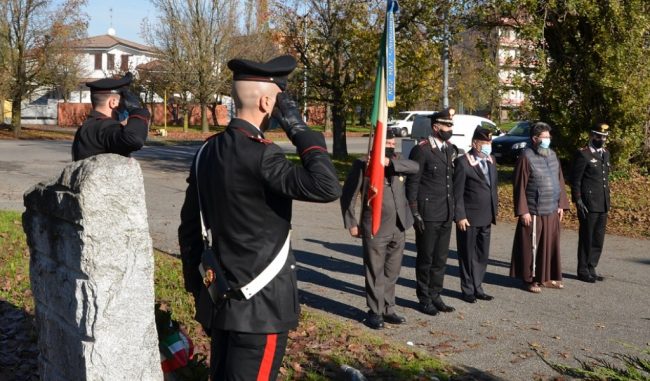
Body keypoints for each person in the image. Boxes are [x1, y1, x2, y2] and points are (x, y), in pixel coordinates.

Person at [178, 55, 341, 381]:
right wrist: (298, 128)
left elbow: (189, 230)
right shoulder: (264, 154)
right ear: (269, 101)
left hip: (220, 302)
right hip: (261, 309)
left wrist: (200, 291)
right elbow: (326, 186)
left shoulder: (206, 152)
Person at [340, 129, 419, 329]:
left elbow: (415, 167)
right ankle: (375, 311)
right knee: (375, 271)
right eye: (387, 142)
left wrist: (389, 163)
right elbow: (348, 196)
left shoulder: (398, 161)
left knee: (392, 271)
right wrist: (351, 223)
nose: (391, 146)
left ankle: (388, 308)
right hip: (375, 227)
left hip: (398, 226)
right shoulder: (362, 164)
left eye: (393, 143)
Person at [405, 108, 458, 315]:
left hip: (445, 212)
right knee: (425, 258)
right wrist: (414, 211)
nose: (450, 129)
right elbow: (413, 183)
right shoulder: (422, 150)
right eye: (447, 126)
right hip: (427, 213)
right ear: (436, 127)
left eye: (451, 125)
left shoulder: (449, 149)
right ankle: (424, 297)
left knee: (440, 258)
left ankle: (436, 294)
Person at [509, 122, 570, 293]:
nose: (547, 140)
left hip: (551, 209)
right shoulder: (526, 157)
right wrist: (523, 211)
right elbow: (519, 186)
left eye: (549, 137)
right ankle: (530, 280)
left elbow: (560, 180)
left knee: (550, 246)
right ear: (535, 139)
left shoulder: (552, 155)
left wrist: (561, 205)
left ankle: (547, 277)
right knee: (532, 247)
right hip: (533, 211)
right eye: (544, 137)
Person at [453, 127, 498, 303]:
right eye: (485, 143)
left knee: (481, 254)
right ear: (474, 144)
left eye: (490, 143)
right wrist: (460, 215)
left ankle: (478, 286)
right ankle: (468, 289)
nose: (488, 146)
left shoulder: (491, 160)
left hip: (487, 215)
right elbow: (457, 193)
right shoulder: (463, 163)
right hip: (469, 217)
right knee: (467, 254)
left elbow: (491, 187)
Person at [72, 72, 150, 161]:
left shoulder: (86, 127)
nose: (124, 106)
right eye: (122, 102)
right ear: (113, 102)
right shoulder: (105, 127)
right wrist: (136, 110)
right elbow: (134, 139)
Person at [570, 123, 611, 283]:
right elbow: (575, 179)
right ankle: (582, 269)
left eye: (604, 137)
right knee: (587, 236)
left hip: (603, 202)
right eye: (599, 136)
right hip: (588, 203)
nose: (602, 139)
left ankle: (592, 266)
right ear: (591, 136)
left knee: (598, 238)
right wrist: (578, 199)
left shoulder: (606, 154)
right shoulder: (583, 154)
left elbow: (604, 179)